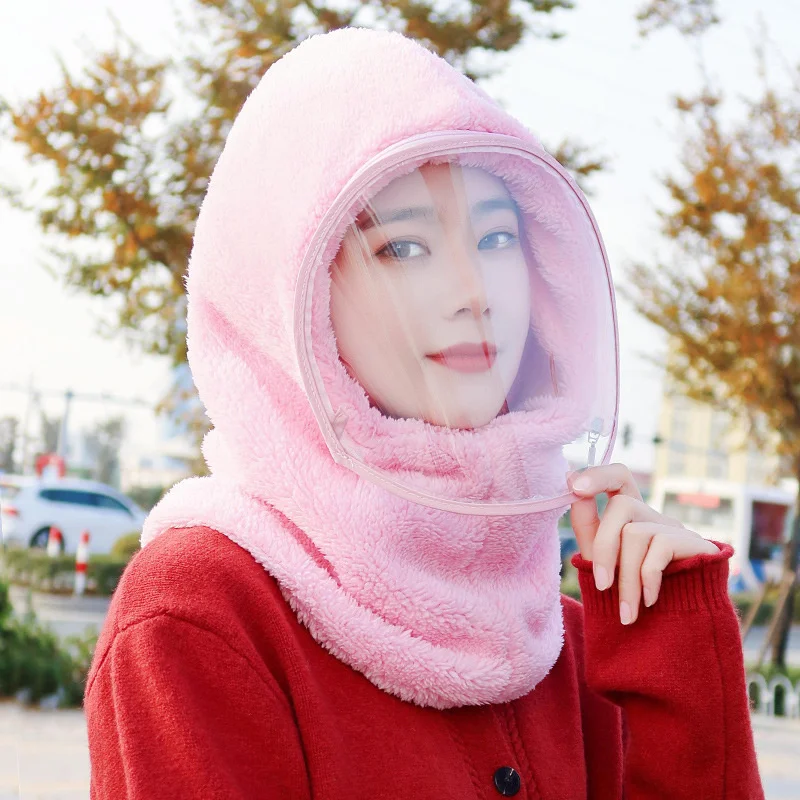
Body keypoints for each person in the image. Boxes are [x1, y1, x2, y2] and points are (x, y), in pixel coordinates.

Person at [85, 28, 764, 799]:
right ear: (291, 294)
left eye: (497, 237)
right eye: (403, 249)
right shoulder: (202, 612)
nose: (475, 291)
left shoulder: (565, 644)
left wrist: (681, 662)